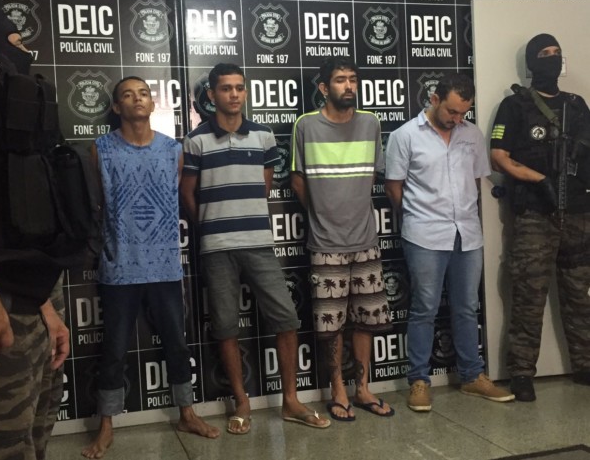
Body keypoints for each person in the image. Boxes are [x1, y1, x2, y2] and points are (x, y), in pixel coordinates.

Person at [181, 63, 330, 434]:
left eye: (239, 87)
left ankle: (290, 400)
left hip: (259, 243)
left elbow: (264, 186)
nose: (234, 94)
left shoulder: (263, 136)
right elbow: (187, 193)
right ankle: (242, 402)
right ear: (211, 95)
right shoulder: (196, 140)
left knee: (286, 319)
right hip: (216, 247)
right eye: (226, 88)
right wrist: (212, 224)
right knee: (226, 326)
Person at [82, 76, 219, 458]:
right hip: (119, 265)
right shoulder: (100, 150)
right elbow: (96, 205)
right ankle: (106, 426)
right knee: (113, 348)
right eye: (128, 95)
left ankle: (187, 413)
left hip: (164, 265)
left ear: (152, 103)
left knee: (177, 342)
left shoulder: (172, 150)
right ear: (116, 107)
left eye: (143, 93)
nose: (137, 99)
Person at [0, 0, 70, 459]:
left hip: (22, 297)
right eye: (13, 41)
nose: (22, 48)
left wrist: (42, 302)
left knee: (30, 438)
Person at [385, 72, 515, 412]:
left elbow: (476, 181)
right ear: (434, 99)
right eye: (452, 111)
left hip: (467, 234)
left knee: (467, 307)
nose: (457, 119)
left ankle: (472, 376)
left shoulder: (471, 134)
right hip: (424, 234)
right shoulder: (404, 136)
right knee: (424, 308)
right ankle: (418, 380)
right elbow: (394, 186)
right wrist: (415, 215)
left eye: (463, 113)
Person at [291, 57, 394, 422]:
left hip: (366, 240)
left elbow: (374, 176)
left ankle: (362, 389)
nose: (348, 86)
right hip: (326, 245)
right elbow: (298, 180)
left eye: (352, 79)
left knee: (367, 319)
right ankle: (338, 391)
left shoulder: (371, 123)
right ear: (324, 88)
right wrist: (323, 213)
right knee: (330, 324)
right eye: (339, 80)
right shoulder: (306, 125)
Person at [490, 34, 590, 402]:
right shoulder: (515, 105)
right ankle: (521, 372)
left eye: (557, 53)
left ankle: (585, 364)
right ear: (532, 63)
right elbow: (499, 156)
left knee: (581, 296)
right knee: (528, 297)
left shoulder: (577, 105)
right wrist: (540, 180)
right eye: (545, 53)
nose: (553, 58)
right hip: (535, 214)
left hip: (578, 214)